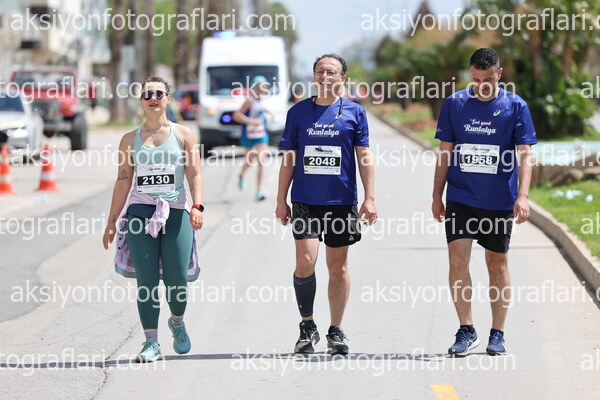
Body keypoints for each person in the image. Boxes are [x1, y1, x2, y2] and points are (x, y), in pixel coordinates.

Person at [431, 48, 536, 356]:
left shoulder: (515, 106)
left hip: (498, 200)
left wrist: (523, 196)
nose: (481, 86)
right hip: (461, 196)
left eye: (487, 80)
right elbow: (445, 152)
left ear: (499, 74)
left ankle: (498, 333)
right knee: (457, 261)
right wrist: (437, 195)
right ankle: (466, 329)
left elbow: (526, 154)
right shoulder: (455, 104)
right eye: (475, 80)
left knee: (496, 264)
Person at [276, 54, 377, 355]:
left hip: (341, 201)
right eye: (320, 71)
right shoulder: (298, 112)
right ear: (313, 76)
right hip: (305, 199)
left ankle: (336, 330)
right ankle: (307, 326)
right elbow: (289, 158)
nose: (325, 76)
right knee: (305, 262)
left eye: (331, 72)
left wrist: (370, 197)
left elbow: (364, 157)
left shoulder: (355, 113)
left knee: (338, 267)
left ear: (342, 78)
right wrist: (281, 199)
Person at [103, 76, 204, 362]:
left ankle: (177, 322)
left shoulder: (184, 134)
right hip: (140, 214)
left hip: (176, 213)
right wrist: (111, 222)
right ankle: (151, 343)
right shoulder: (129, 140)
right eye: (147, 94)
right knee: (146, 282)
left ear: (168, 99)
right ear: (141, 101)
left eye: (159, 93)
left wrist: (198, 206)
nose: (153, 98)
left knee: (177, 280)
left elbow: (195, 175)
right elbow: (123, 181)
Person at [233, 75, 274, 201]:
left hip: (261, 134)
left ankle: (259, 191)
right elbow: (236, 115)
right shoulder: (249, 100)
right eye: (263, 86)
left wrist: (270, 112)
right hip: (249, 134)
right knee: (250, 161)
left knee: (261, 160)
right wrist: (252, 121)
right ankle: (241, 175)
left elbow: (260, 109)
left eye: (266, 86)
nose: (265, 88)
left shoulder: (262, 99)